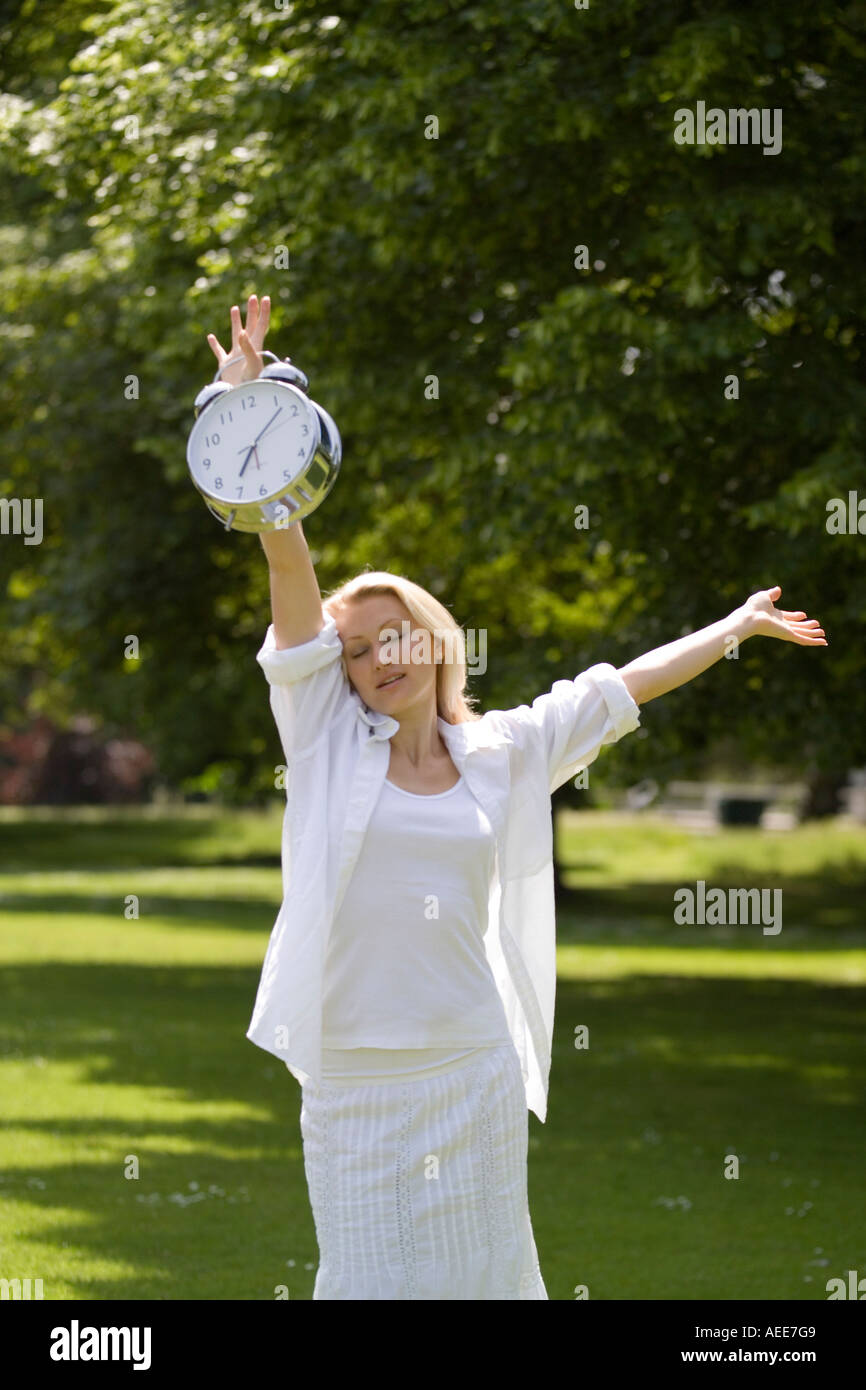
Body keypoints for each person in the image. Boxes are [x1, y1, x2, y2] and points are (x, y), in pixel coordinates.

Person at [206, 293, 828, 1301]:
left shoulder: (502, 749)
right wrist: (251, 429)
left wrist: (730, 627)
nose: (373, 659)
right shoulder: (321, 736)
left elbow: (617, 687)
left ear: (432, 638)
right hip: (352, 1068)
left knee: (481, 1279)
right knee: (361, 1280)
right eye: (353, 649)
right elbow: (287, 568)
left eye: (390, 635)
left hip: (470, 1062)